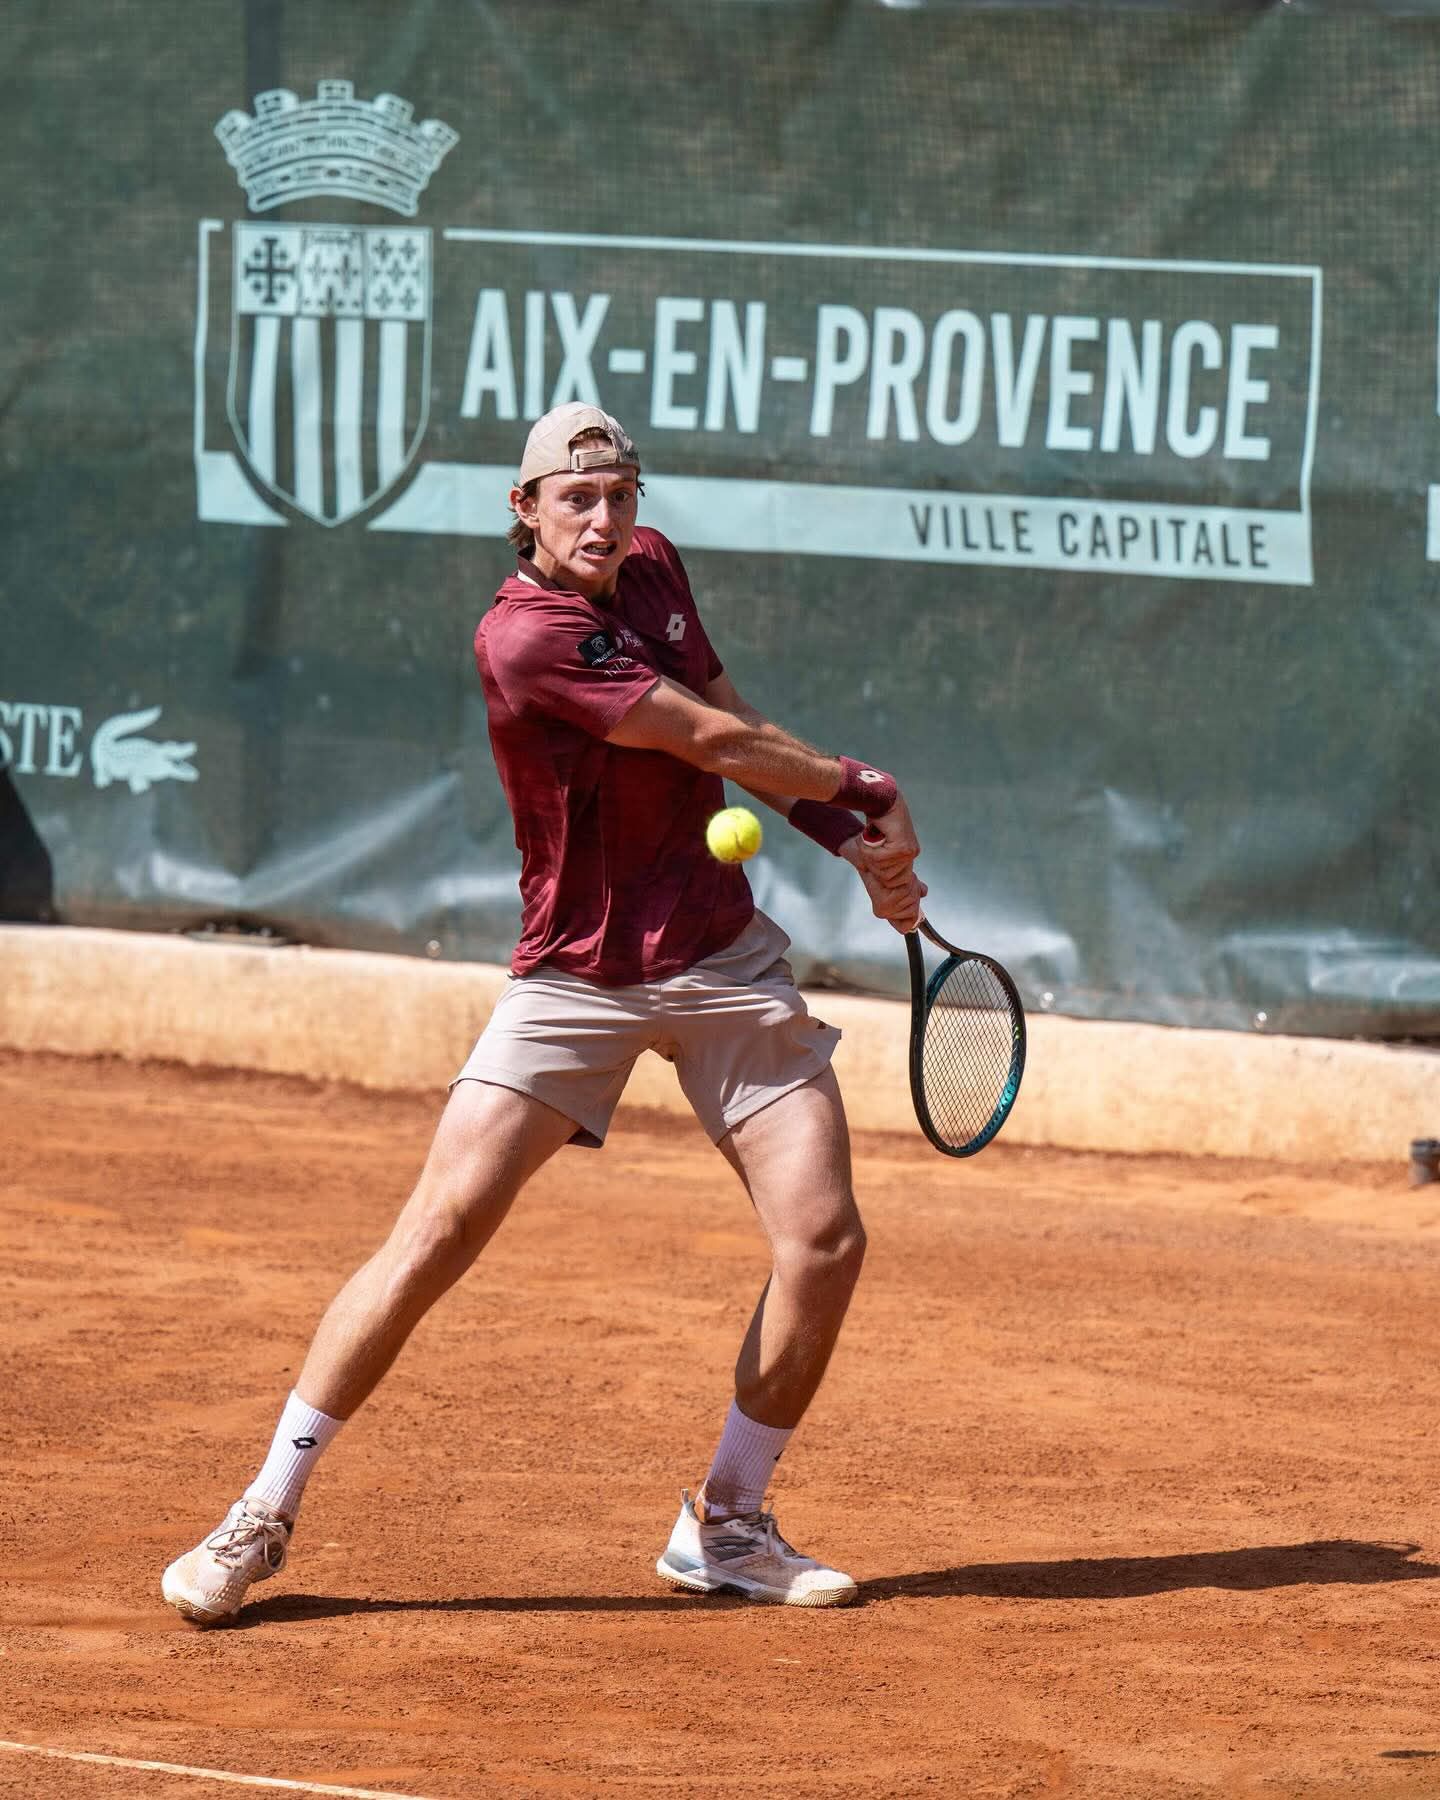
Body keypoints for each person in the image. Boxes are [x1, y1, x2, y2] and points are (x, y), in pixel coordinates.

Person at [161, 402, 925, 1623]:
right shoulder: (525, 636)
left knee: (826, 1238)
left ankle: (726, 1525)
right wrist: (865, 785)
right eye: (576, 499)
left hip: (720, 956)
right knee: (436, 1233)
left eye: (620, 494)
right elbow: (704, 732)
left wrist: (844, 837)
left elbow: (732, 729)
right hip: (575, 978)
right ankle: (265, 1509)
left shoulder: (654, 566)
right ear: (523, 511)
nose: (605, 519)